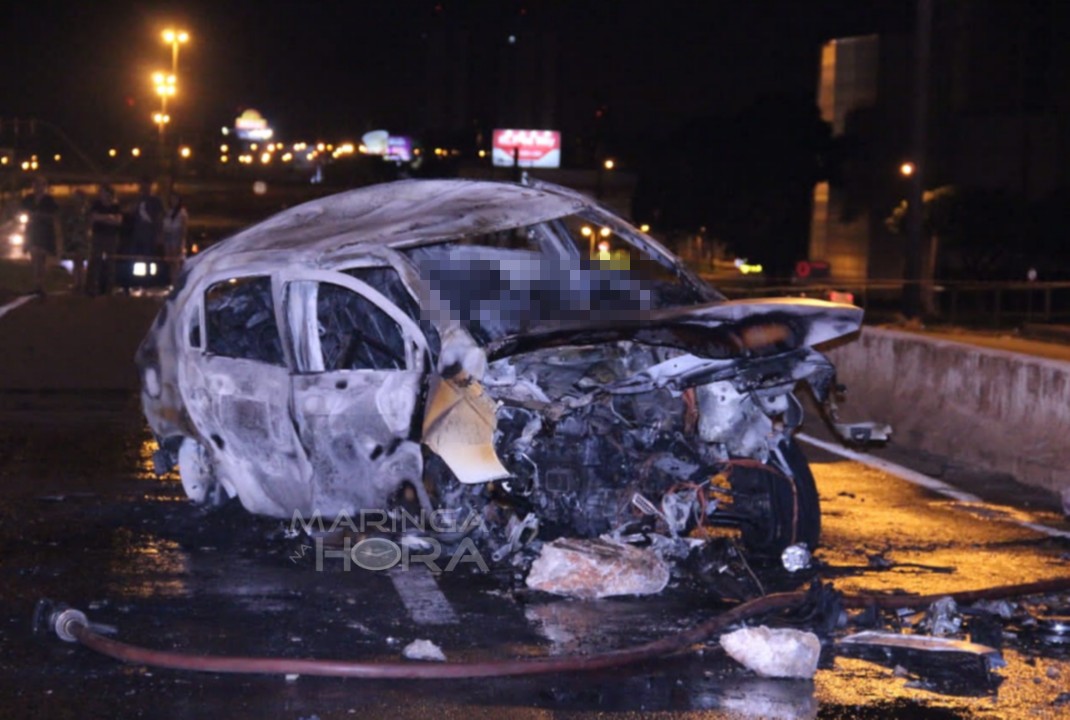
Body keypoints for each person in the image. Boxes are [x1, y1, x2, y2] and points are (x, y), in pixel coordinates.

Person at [20, 176, 61, 297]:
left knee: (41, 258)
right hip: (32, 230)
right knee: (34, 257)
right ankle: (36, 284)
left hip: (44, 231)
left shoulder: (49, 200)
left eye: (41, 185)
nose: (38, 187)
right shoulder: (28, 198)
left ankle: (40, 284)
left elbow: (54, 214)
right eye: (36, 185)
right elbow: (22, 211)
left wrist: (40, 215)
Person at [123, 177, 164, 293]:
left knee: (149, 258)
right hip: (137, 233)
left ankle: (149, 282)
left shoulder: (156, 201)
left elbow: (160, 218)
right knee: (133, 258)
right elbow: (128, 211)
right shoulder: (137, 199)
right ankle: (133, 282)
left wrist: (159, 234)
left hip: (150, 234)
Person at [86, 184, 123, 296]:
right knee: (95, 260)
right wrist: (109, 218)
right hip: (98, 236)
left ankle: (109, 287)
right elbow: (93, 218)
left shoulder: (115, 207)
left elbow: (118, 221)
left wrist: (102, 218)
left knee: (110, 262)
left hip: (111, 237)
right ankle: (93, 287)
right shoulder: (96, 205)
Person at [61, 189, 90, 293]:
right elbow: (65, 223)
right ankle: (77, 283)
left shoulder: (86, 211)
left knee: (80, 261)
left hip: (81, 238)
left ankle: (82, 283)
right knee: (75, 261)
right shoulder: (70, 211)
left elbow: (87, 224)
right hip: (72, 238)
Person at [161, 190, 188, 284]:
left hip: (176, 237)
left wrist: (181, 242)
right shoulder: (169, 212)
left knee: (176, 262)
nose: (173, 201)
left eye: (175, 199)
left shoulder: (182, 212)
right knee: (170, 262)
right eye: (171, 199)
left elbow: (183, 228)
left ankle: (177, 283)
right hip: (168, 236)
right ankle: (173, 282)